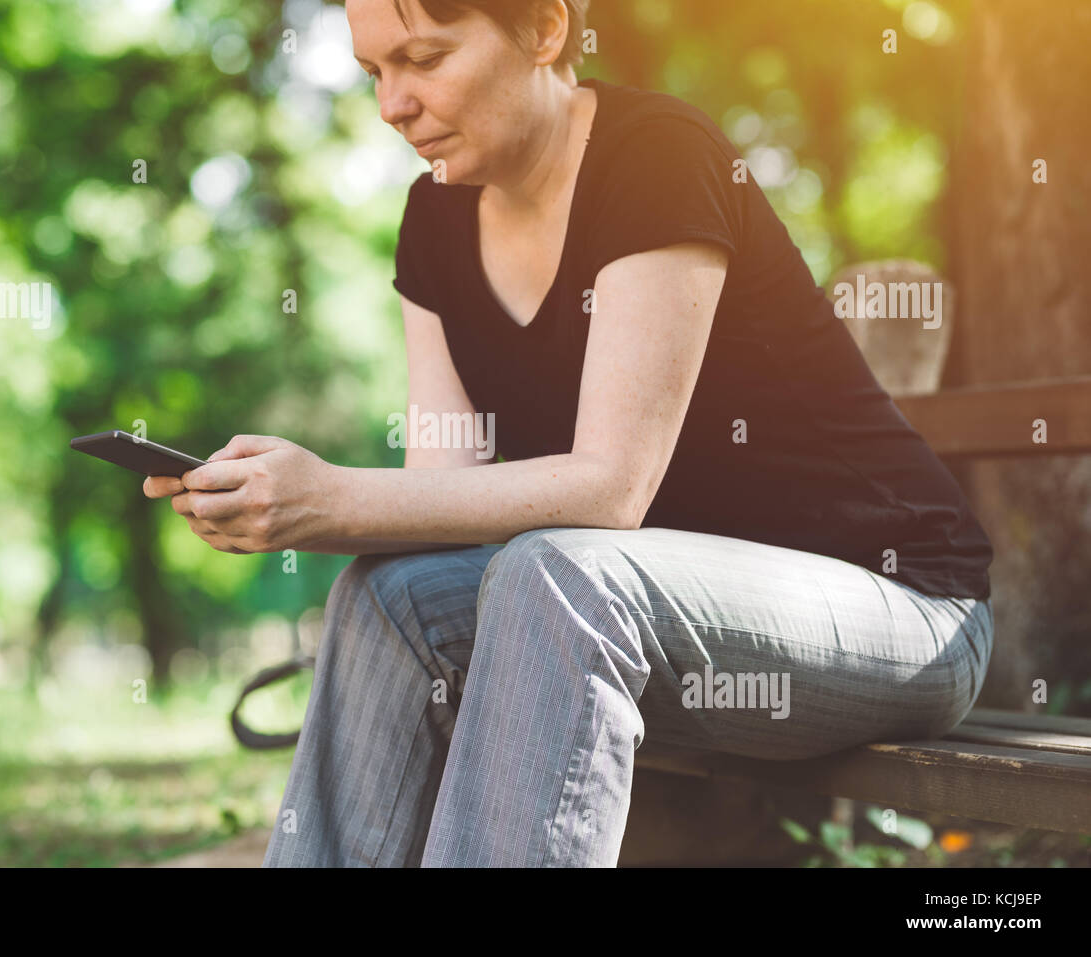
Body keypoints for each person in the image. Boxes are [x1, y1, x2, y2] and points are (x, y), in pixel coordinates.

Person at [144, 0, 994, 867]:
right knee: (389, 594)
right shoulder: (434, 219)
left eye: (426, 59)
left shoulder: (656, 158)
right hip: (663, 621)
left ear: (545, 31)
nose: (392, 105)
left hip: (901, 612)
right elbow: (437, 500)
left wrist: (334, 496)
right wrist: (273, 502)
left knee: (557, 573)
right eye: (374, 74)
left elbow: (609, 489)